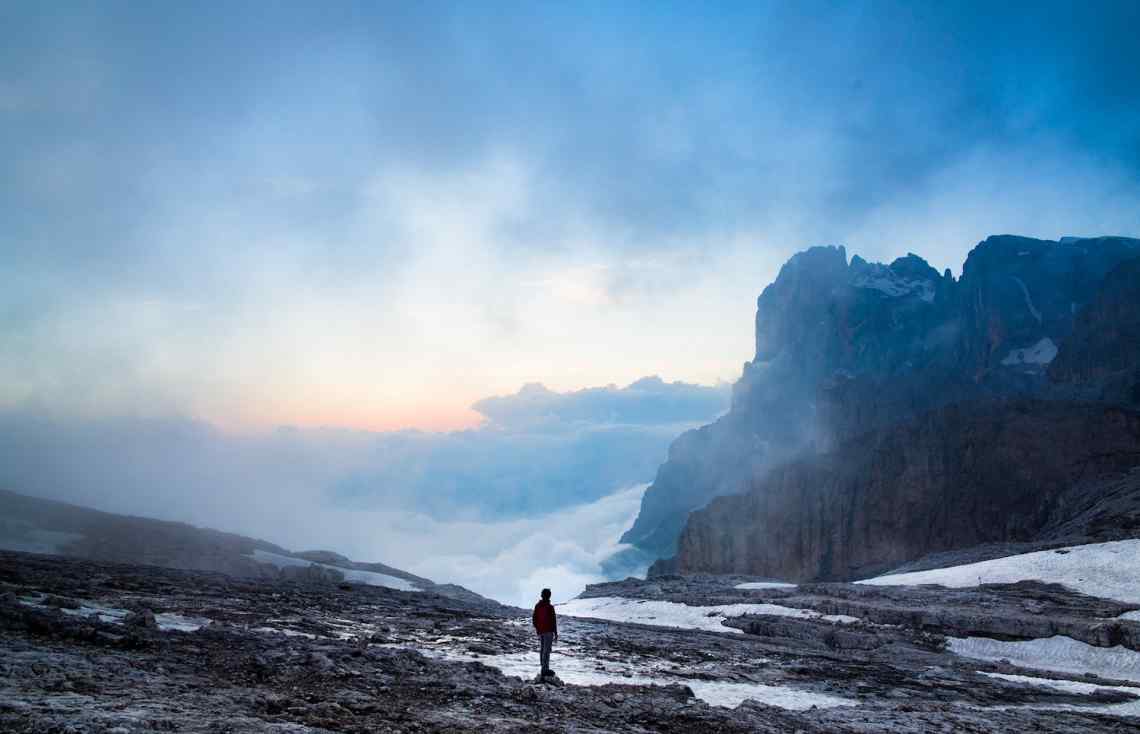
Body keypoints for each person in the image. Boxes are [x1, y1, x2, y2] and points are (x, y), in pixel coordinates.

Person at [532, 588, 557, 677]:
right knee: (546, 650)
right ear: (549, 595)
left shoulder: (537, 606)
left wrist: (538, 628)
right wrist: (555, 633)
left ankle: (543, 667)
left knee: (543, 650)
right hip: (548, 631)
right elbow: (553, 620)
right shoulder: (550, 607)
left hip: (541, 631)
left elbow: (534, 619)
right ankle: (544, 669)